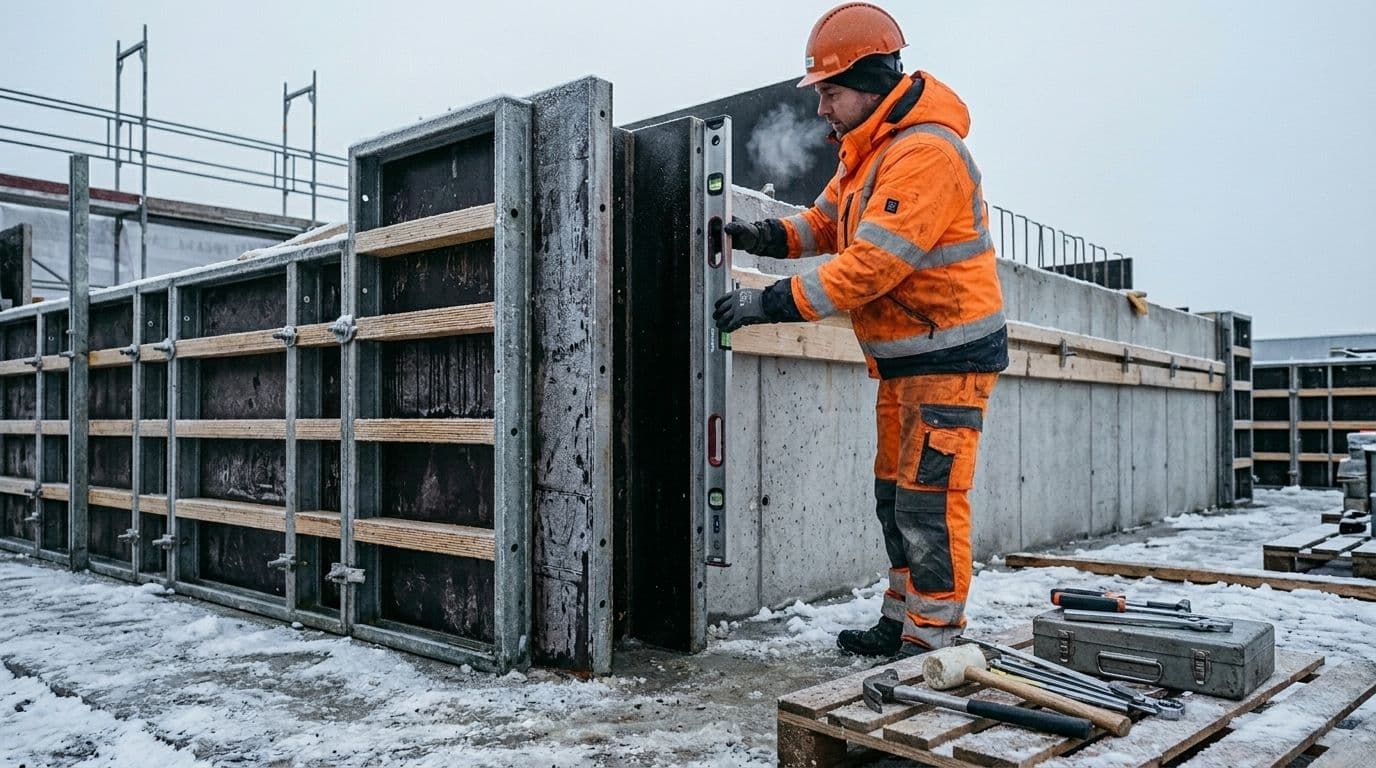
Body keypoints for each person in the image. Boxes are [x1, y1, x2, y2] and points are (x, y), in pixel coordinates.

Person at [713, 2, 1008, 659]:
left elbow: (872, 265)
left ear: (871, 82)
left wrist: (770, 304)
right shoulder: (866, 151)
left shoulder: (925, 154)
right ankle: (903, 622)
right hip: (906, 362)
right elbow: (822, 225)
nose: (822, 108)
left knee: (929, 504)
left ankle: (933, 640)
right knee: (895, 499)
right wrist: (760, 235)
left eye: (830, 92)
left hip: (948, 359)